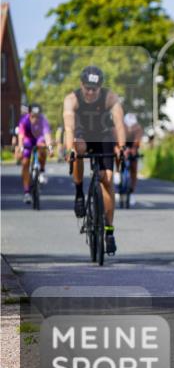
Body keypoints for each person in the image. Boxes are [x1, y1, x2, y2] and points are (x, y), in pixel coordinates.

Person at [63, 66, 126, 253]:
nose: (90, 92)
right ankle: (79, 193)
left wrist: (121, 148)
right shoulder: (72, 99)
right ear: (82, 85)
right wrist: (69, 150)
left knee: (107, 179)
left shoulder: (110, 98)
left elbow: (119, 124)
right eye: (87, 88)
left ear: (100, 87)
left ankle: (108, 230)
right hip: (81, 134)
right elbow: (69, 128)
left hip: (102, 135)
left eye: (94, 89)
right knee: (78, 147)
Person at [14, 104, 54, 204]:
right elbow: (21, 136)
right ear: (29, 114)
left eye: (37, 116)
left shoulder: (43, 120)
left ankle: (41, 171)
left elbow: (47, 135)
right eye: (32, 116)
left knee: (42, 147)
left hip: (39, 138)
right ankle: (27, 192)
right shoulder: (24, 120)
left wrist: (50, 147)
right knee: (25, 162)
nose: (35, 119)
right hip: (28, 139)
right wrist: (20, 147)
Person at [123, 113, 144, 195]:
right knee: (118, 156)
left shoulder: (138, 128)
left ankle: (132, 188)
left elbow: (137, 141)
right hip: (124, 144)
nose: (130, 129)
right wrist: (123, 149)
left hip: (133, 145)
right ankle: (118, 173)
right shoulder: (122, 127)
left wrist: (134, 149)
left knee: (134, 166)